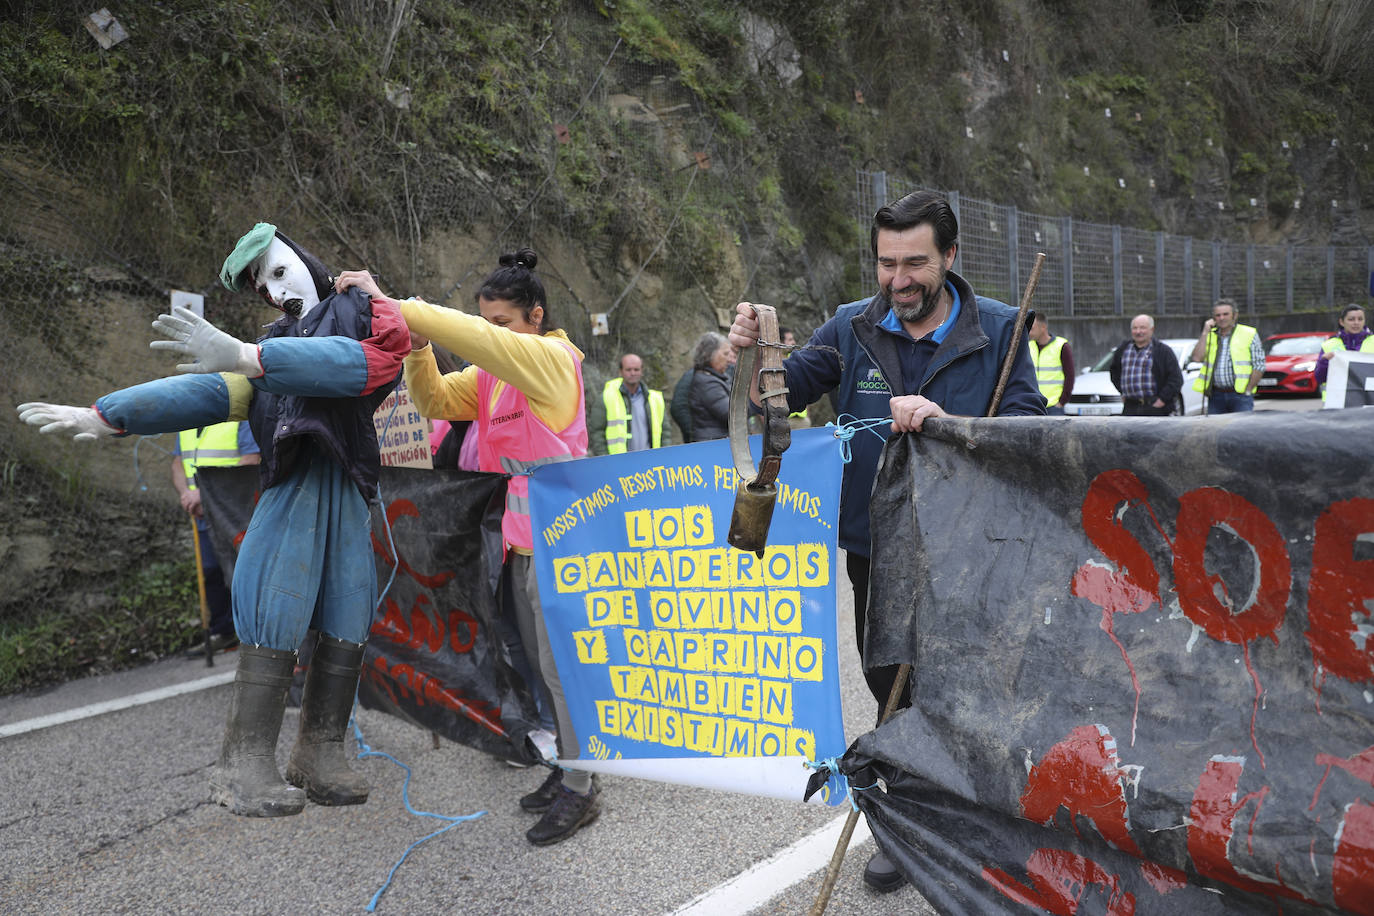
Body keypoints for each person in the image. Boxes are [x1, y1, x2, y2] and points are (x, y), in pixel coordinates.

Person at [17, 223, 409, 818]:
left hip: (349, 491)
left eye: (279, 272)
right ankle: (245, 763)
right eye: (264, 286)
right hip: (293, 490)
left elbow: (376, 363)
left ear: (306, 259)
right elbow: (203, 393)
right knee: (275, 605)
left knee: (349, 612)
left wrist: (252, 356)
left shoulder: (356, 318)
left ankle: (320, 751)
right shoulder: (267, 353)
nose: (276, 293)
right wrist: (106, 414)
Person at [728, 189, 1044, 893]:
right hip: (877, 545)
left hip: (970, 544)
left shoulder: (1001, 328)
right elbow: (779, 395)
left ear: (951, 256)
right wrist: (753, 355)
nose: (899, 280)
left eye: (916, 263)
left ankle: (985, 818)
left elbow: (1029, 426)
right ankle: (907, 828)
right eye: (885, 263)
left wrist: (945, 424)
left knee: (971, 683)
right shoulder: (851, 326)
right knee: (888, 685)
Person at [335, 249, 600, 847]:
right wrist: (417, 347)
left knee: (562, 676)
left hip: (565, 543)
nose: (490, 336)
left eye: (501, 324)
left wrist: (391, 301)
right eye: (487, 323)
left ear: (535, 317)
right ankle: (568, 768)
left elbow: (476, 339)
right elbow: (431, 403)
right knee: (535, 669)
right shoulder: (490, 376)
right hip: (518, 541)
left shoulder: (554, 362)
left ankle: (584, 788)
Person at [173, 420, 260, 654]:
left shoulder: (238, 420)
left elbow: (252, 460)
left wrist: (206, 495)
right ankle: (224, 631)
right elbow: (178, 463)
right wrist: (186, 494)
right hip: (202, 514)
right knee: (211, 571)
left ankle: (256, 633)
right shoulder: (186, 425)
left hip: (235, 514)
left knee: (243, 572)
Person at [588, 353, 673, 455]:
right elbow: (597, 433)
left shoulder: (655, 399)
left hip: (651, 461)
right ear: (620, 371)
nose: (632, 373)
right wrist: (605, 459)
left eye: (636, 369)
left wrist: (665, 454)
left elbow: (665, 432)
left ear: (642, 371)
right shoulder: (606, 398)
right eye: (628, 370)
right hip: (619, 463)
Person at [1191, 298, 1264, 414]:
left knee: (1240, 431)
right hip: (1216, 396)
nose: (1221, 318)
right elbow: (1196, 358)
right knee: (1215, 431)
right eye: (1218, 315)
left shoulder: (1249, 333)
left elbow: (1259, 365)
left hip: (1240, 396)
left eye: (1225, 314)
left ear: (1234, 315)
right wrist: (1205, 332)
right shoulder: (1210, 335)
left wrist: (1248, 390)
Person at [1108, 314, 1184, 416]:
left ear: (1151, 330)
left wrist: (1162, 399)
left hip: (1155, 408)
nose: (1138, 332)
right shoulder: (1123, 349)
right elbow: (1114, 372)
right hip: (1130, 408)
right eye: (1135, 328)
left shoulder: (1163, 351)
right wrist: (1122, 391)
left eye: (1142, 328)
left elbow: (1176, 379)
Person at [1315, 304, 1374, 393]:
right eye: (1351, 319)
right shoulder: (1329, 345)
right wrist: (1324, 362)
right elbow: (1320, 378)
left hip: (1368, 399)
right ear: (1342, 322)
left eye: (1360, 319)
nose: (1356, 323)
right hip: (1336, 400)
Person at [687, 331, 734, 442]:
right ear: (710, 354)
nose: (729, 359)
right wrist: (755, 401)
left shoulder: (715, 377)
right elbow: (731, 413)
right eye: (725, 354)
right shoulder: (706, 382)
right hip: (713, 444)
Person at [1027, 313, 1074, 414]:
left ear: (1043, 327)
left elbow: (1070, 376)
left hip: (1054, 407)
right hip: (1033, 406)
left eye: (1032, 328)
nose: (1029, 332)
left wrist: (1062, 402)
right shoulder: (1028, 347)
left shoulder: (1061, 346)